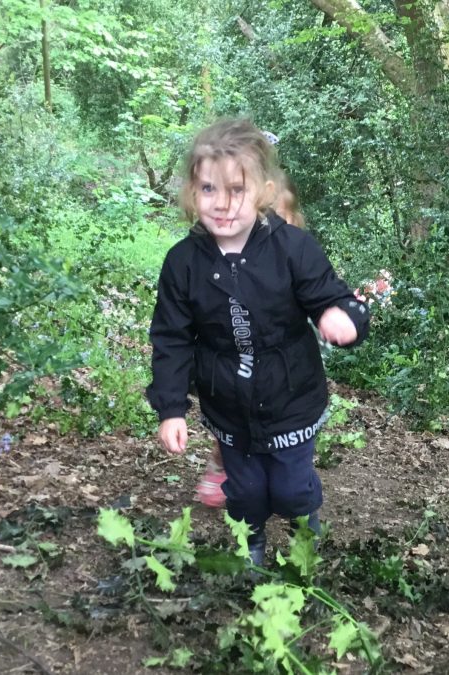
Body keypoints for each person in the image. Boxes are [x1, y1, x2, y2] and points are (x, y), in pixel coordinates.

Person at [147, 118, 369, 565]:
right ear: (191, 192)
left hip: (291, 394)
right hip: (227, 400)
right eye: (208, 188)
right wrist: (171, 408)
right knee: (246, 491)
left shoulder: (293, 248)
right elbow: (171, 338)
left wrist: (342, 316)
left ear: (264, 192)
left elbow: (331, 295)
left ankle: (304, 536)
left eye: (237, 189)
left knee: (290, 488)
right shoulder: (182, 263)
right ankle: (251, 550)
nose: (222, 203)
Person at [194, 162, 307, 509]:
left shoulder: (296, 258)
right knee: (233, 414)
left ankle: (292, 480)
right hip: (233, 360)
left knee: (283, 423)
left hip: (282, 367)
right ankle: (224, 462)